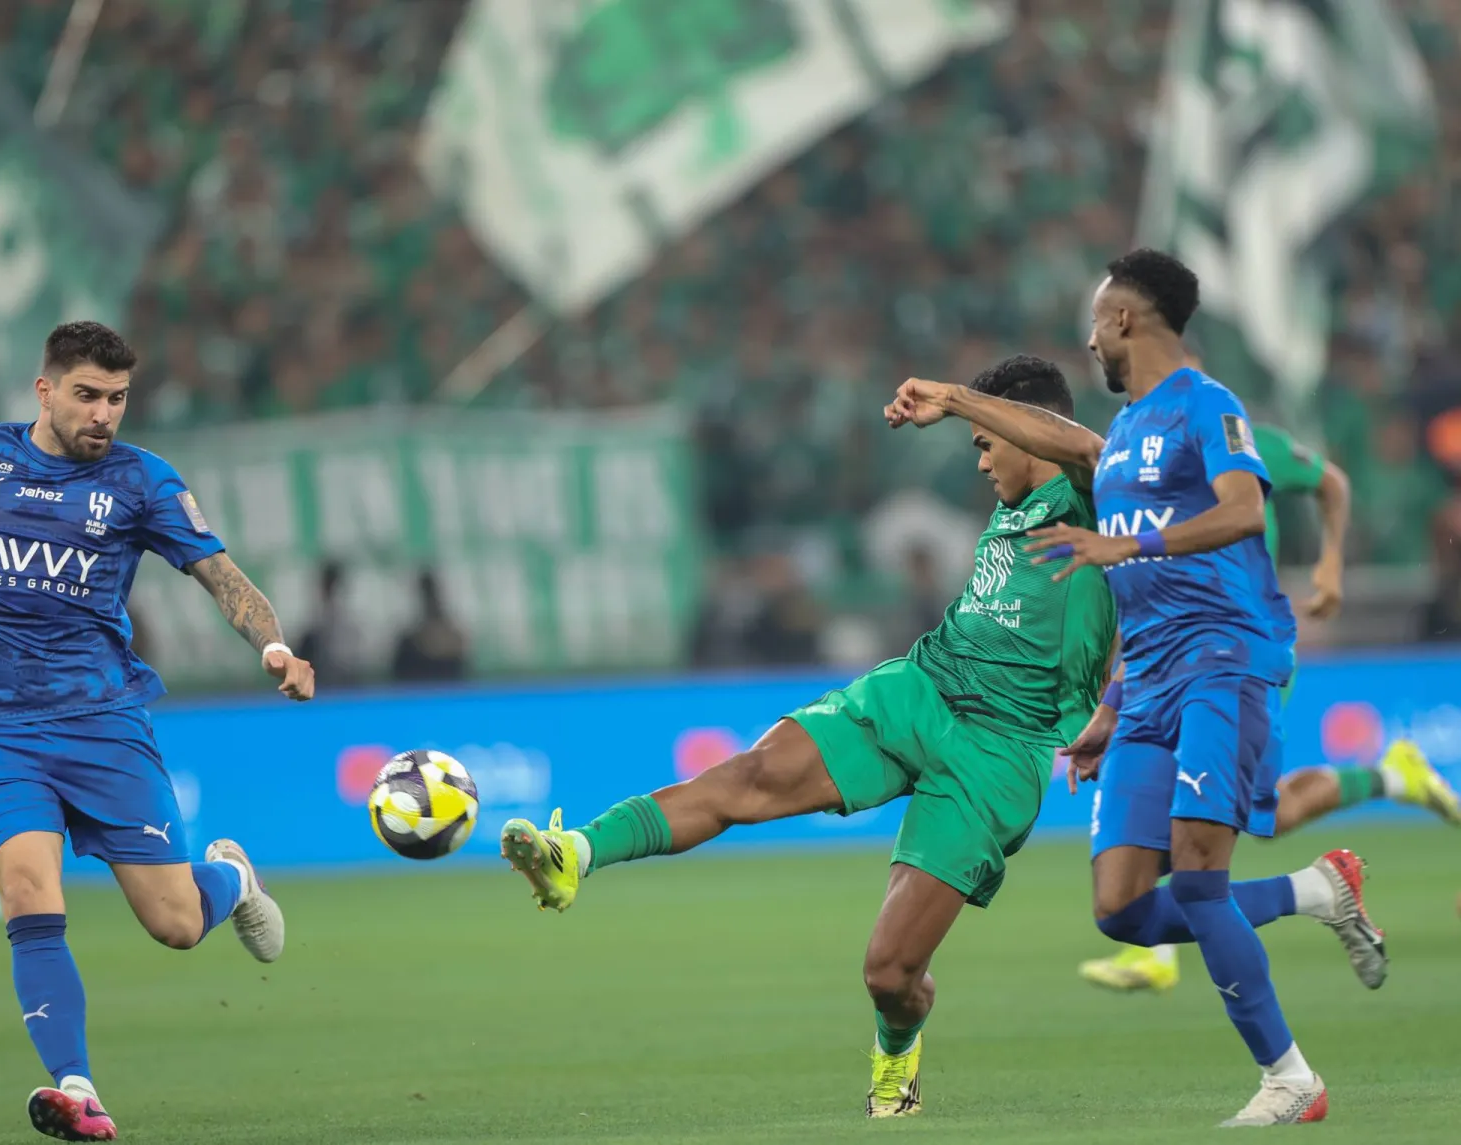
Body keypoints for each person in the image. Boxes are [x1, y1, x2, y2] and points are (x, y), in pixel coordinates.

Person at [499, 355, 1119, 1118]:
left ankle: (898, 1054)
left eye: (988, 439)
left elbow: (1091, 450)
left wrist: (960, 399)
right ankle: (576, 855)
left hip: (999, 749)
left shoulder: (1095, 493)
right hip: (921, 686)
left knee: (890, 974)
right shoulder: (1016, 498)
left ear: (1029, 431)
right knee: (750, 777)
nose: (981, 456)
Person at [887, 249, 1383, 1126]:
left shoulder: (1209, 406)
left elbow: (1241, 511)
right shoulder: (1118, 443)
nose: (1088, 342)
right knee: (1120, 909)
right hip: (1147, 680)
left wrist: (1131, 545)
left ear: (1124, 319)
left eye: (1094, 322)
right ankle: (1317, 891)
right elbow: (1087, 492)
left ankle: (1291, 1078)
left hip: (1222, 660)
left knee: (1197, 876)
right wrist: (1107, 712)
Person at [0, 322, 315, 1142]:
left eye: (118, 398)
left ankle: (232, 877)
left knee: (177, 923)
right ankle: (77, 1088)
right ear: (43, 390)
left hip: (100, 726)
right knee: (25, 888)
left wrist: (274, 645)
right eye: (87, 395)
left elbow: (223, 578)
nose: (104, 414)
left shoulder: (140, 482)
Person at [1078, 411, 1458, 992]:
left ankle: (1389, 779)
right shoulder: (1149, 458)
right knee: (1204, 802)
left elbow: (1331, 481)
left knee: (1262, 814)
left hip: (1242, 650)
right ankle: (1154, 935)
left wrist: (1331, 565)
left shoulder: (1246, 442)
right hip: (1178, 652)